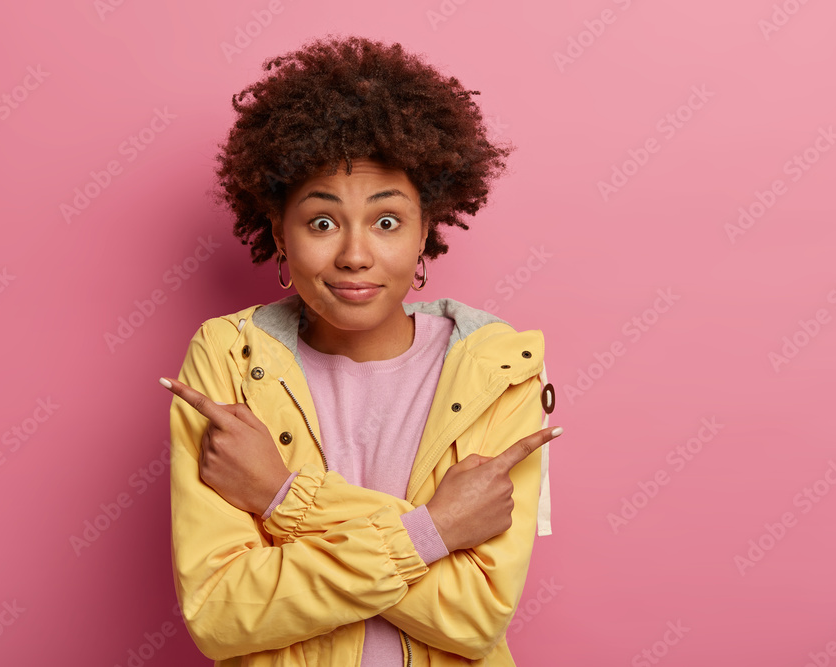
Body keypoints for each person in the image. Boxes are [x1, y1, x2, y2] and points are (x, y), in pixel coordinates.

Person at [160, 34, 562, 666]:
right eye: (322, 222)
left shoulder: (499, 368)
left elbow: (475, 616)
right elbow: (219, 611)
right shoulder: (226, 361)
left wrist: (282, 498)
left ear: (426, 229)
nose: (353, 253)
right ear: (277, 231)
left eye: (386, 221)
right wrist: (433, 533)